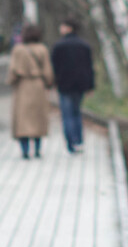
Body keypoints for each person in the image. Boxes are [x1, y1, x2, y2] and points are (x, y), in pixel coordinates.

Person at [6, 23, 54, 159]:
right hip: (38, 86)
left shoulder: (18, 50)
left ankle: (25, 150)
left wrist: (11, 82)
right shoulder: (42, 49)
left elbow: (13, 70)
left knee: (23, 118)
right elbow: (47, 71)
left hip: (23, 86)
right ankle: (38, 149)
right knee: (38, 117)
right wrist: (48, 83)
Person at [50, 17, 95, 153]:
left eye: (63, 26)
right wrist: (90, 86)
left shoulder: (58, 46)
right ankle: (79, 140)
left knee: (67, 114)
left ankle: (71, 143)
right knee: (76, 112)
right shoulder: (84, 45)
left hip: (64, 84)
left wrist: (53, 83)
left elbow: (54, 67)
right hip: (80, 84)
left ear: (68, 28)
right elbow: (89, 67)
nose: (60, 29)